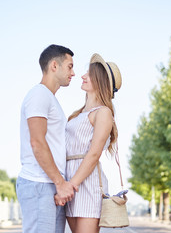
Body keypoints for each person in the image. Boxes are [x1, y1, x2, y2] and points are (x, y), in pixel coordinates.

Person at [55, 53, 122, 233]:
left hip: (85, 184)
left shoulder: (104, 113)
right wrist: (63, 183)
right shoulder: (77, 114)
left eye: (89, 74)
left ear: (100, 81)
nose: (83, 76)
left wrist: (71, 185)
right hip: (69, 180)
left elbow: (94, 154)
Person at [16, 44, 78, 233]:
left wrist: (59, 183)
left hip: (49, 184)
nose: (73, 73)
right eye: (69, 66)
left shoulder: (50, 99)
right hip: (39, 183)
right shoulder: (38, 94)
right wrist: (60, 183)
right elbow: (37, 142)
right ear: (54, 66)